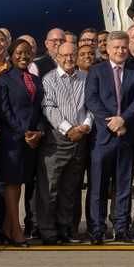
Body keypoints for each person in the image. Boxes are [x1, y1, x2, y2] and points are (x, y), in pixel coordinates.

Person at [86, 31, 134, 242]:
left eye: (123, 47)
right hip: (103, 138)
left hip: (126, 136)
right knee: (98, 187)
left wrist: (123, 120)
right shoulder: (97, 71)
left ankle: (121, 228)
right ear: (108, 49)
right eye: (116, 47)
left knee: (124, 185)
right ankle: (97, 229)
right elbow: (92, 100)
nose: (120, 51)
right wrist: (111, 122)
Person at [36, 41, 92, 245]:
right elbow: (49, 107)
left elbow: (91, 105)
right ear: (57, 57)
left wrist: (85, 126)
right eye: (64, 55)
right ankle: (47, 230)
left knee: (70, 188)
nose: (69, 58)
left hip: (80, 138)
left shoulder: (86, 78)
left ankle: (66, 229)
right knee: (49, 188)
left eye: (72, 55)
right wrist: (68, 128)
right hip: (57, 140)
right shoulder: (49, 79)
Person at [0, 37, 43, 246]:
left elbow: (40, 108)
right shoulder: (3, 79)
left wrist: (38, 131)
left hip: (31, 141)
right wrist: (24, 131)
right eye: (19, 53)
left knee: (21, 185)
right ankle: (16, 231)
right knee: (12, 185)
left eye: (27, 53)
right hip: (12, 141)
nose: (23, 56)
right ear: (11, 55)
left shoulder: (35, 80)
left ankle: (8, 228)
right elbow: (4, 111)